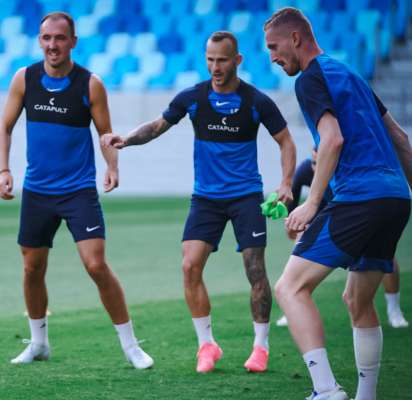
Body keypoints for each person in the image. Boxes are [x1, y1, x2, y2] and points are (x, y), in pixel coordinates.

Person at [102, 31, 296, 374]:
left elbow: (285, 141)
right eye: (210, 60)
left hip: (245, 196)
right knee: (190, 266)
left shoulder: (256, 101)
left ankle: (260, 347)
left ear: (237, 60)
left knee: (254, 270)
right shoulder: (193, 97)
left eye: (222, 60)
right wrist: (127, 140)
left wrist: (285, 182)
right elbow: (158, 126)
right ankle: (207, 345)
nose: (215, 67)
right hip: (206, 198)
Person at [265, 7, 412, 400]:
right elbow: (400, 137)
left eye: (274, 48)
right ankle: (367, 396)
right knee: (357, 300)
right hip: (396, 198)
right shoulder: (350, 74)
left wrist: (312, 202)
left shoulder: (310, 80)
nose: (273, 58)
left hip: (360, 198)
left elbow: (331, 140)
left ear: (296, 39)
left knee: (290, 289)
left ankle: (326, 390)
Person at [0, 12, 153, 369]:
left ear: (73, 42)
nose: (53, 45)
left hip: (78, 191)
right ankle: (38, 343)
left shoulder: (90, 84)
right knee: (32, 268)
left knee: (95, 265)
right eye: (47, 38)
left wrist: (113, 166)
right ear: (40, 40)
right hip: (37, 192)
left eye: (60, 38)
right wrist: (4, 170)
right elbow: (4, 128)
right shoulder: (25, 79)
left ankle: (130, 345)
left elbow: (106, 135)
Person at [276, 150, 409, 329]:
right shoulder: (305, 171)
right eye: (314, 162)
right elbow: (292, 219)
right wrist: (294, 225)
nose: (317, 168)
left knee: (385, 257)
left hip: (353, 211)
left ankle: (394, 310)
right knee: (301, 247)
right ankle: (293, 306)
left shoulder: (346, 170)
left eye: (322, 159)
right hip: (325, 215)